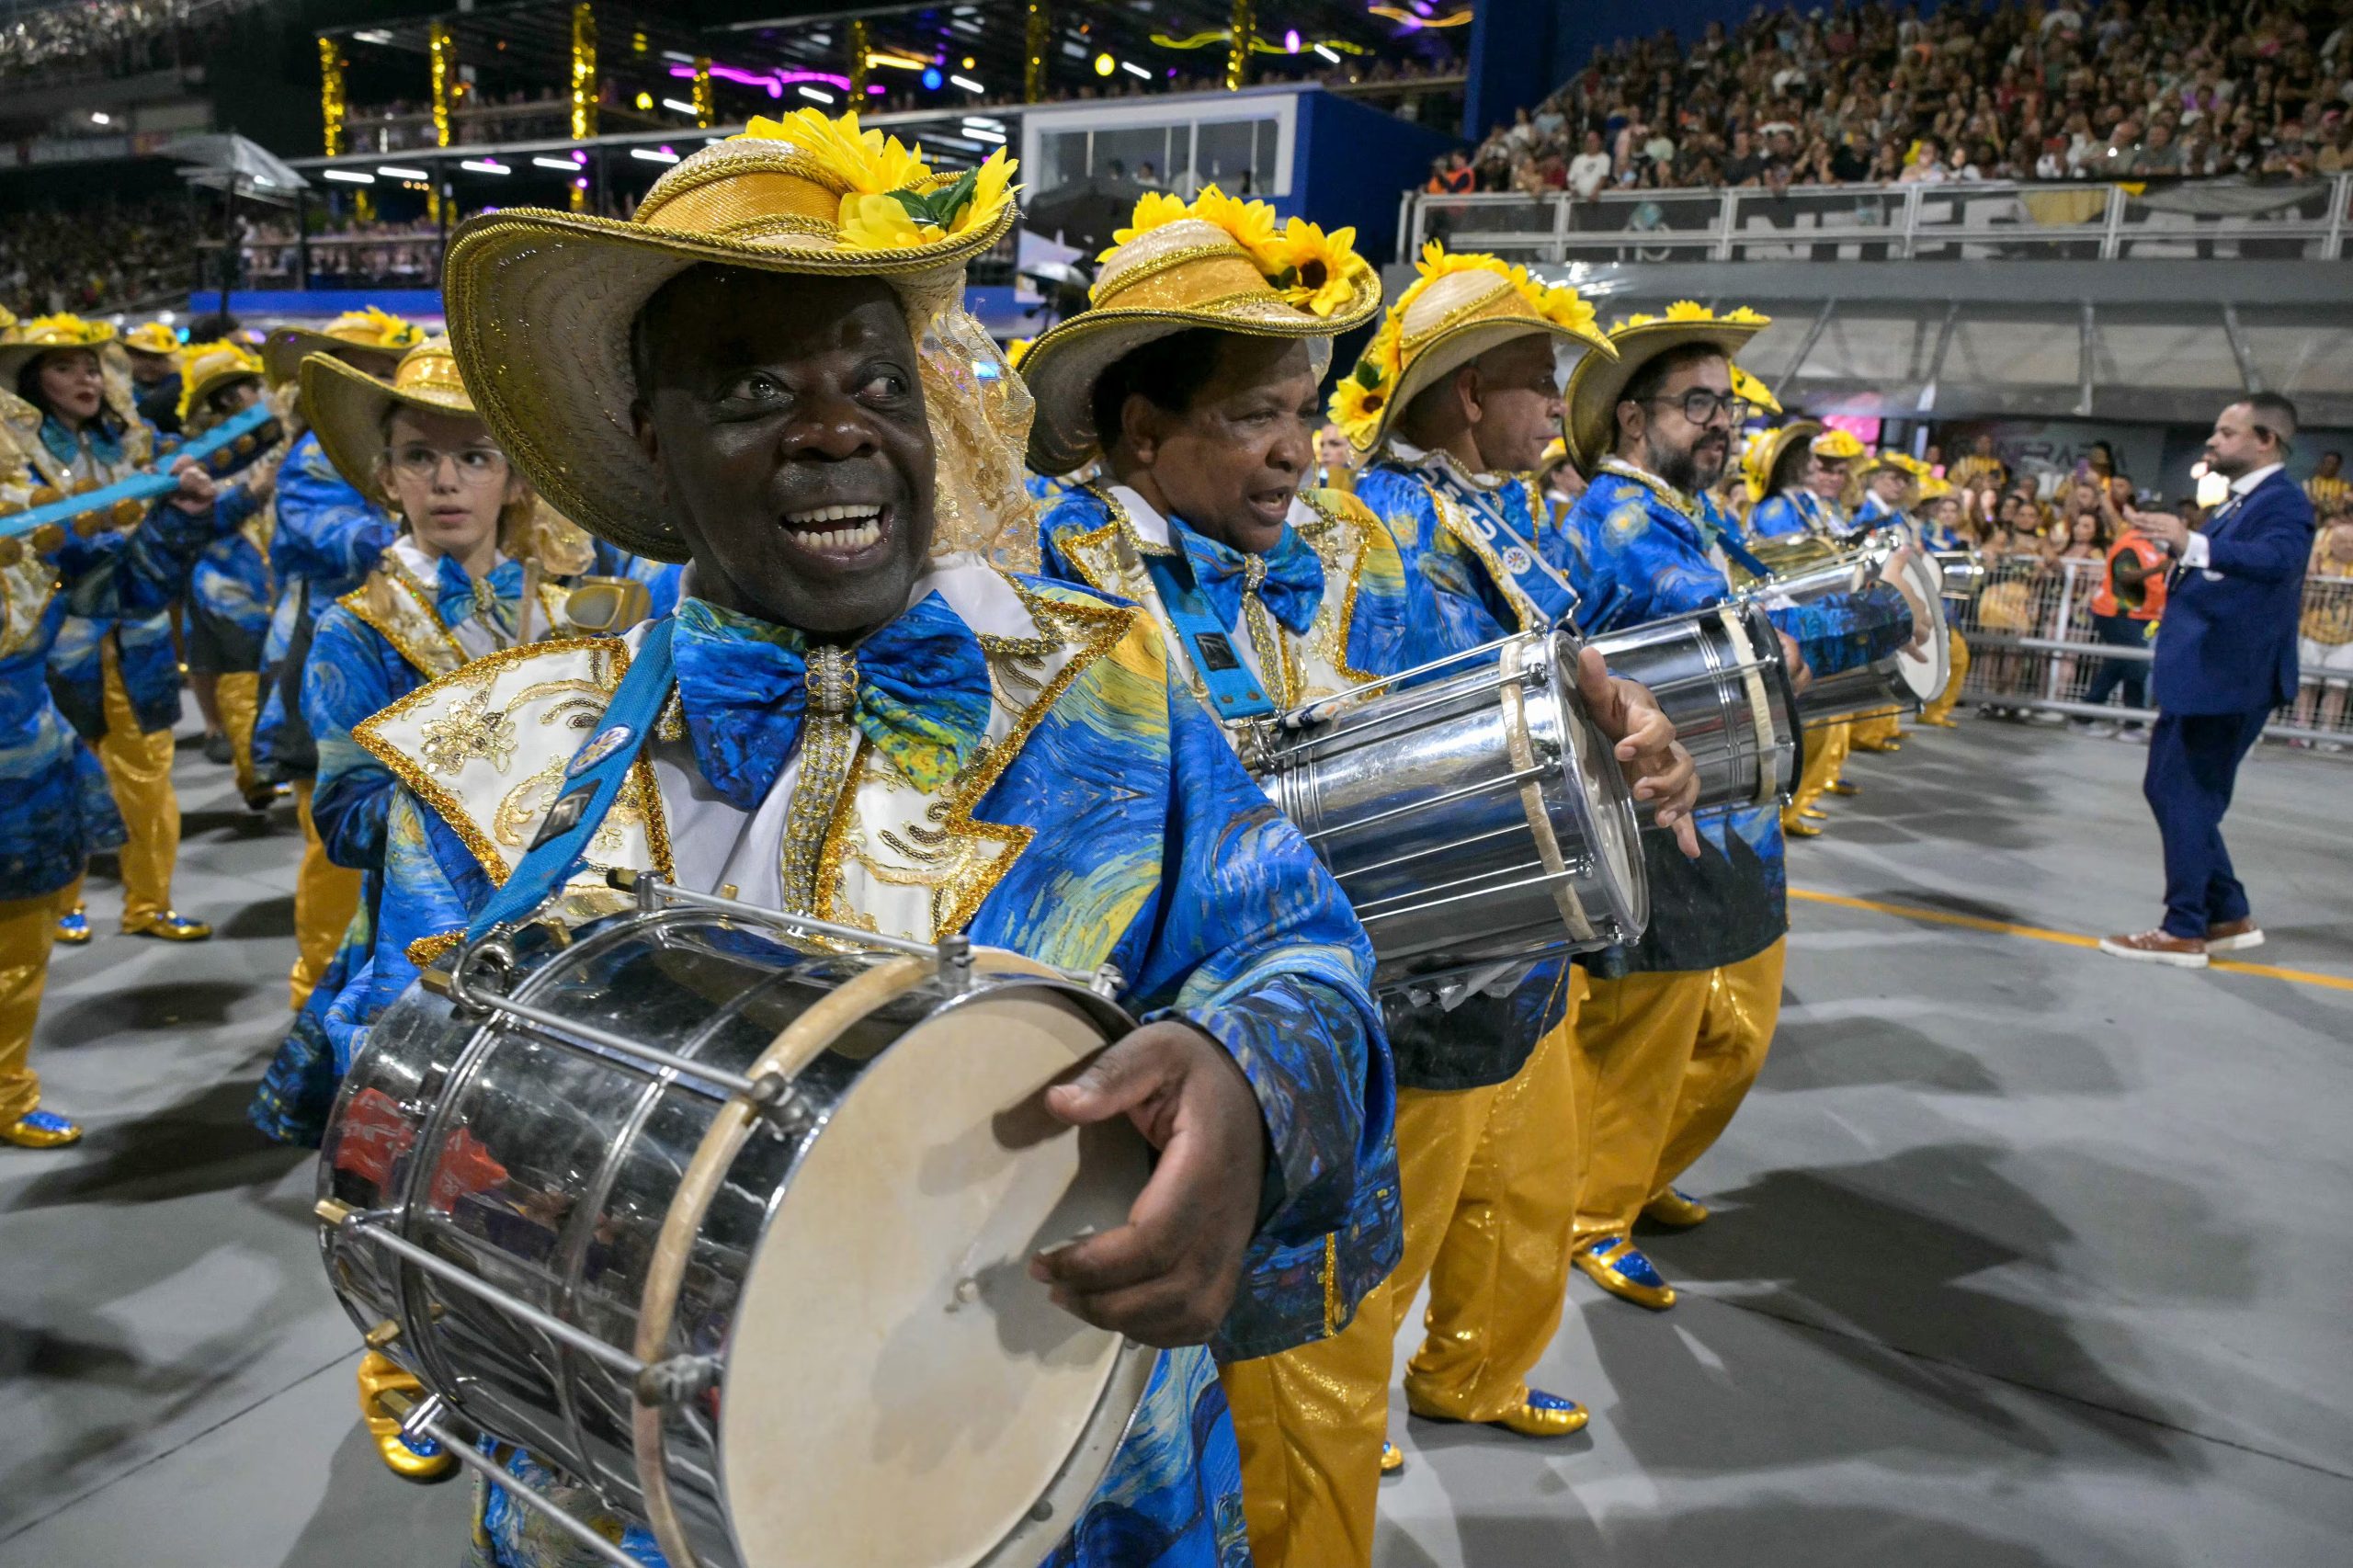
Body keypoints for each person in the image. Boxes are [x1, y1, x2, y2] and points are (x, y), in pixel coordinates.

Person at [364, 109, 1401, 1568]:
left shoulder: (1101, 689)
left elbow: (1302, 951)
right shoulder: (495, 761)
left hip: (1069, 1476)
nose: (838, 427)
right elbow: (394, 1116)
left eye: (872, 379)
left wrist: (1245, 1078)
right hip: (645, 1514)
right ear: (655, 448)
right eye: (754, 387)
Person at [1556, 302, 1917, 1311]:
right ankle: (1592, 1209)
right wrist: (1886, 605)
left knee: (1729, 1036)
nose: (1723, 425)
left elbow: (1767, 592)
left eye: (1729, 406)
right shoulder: (1620, 524)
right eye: (1698, 403)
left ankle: (1635, 1170)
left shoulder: (1690, 514)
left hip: (1731, 818)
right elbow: (1758, 632)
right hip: (1667, 820)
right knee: (1644, 1040)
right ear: (1631, 420)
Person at [0, 361, 256, 1146]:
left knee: (23, 934)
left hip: (30, 751)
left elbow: (124, 575)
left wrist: (184, 510)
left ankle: (6, 1092)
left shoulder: (40, 520)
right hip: (40, 726)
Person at [0, 316, 213, 943]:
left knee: (149, 774)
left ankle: (149, 903)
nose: (84, 378)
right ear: (36, 382)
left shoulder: (133, 441)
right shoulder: (19, 462)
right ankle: (64, 902)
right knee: (64, 775)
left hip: (139, 636)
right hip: (61, 647)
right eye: (64, 368)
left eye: (91, 365)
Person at [2101, 393, 2315, 967]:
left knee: (2186, 795)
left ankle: (2183, 929)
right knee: (2174, 791)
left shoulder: (2283, 502)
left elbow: (2276, 560)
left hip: (2231, 677)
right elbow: (2229, 569)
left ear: (2265, 440)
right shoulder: (2237, 502)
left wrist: (2190, 542)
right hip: (2207, 673)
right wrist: (2174, 561)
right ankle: (2228, 913)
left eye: (2226, 433)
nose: (2212, 442)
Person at [253, 306, 423, 1010]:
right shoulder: (312, 456)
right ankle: (314, 1000)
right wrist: (420, 533)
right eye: (367, 372)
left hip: (407, 659)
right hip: (329, 656)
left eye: (390, 373)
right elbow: (330, 534)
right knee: (335, 860)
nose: (380, 384)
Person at [174, 339, 282, 811]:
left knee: (268, 677)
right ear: (226, 398)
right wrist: (252, 492)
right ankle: (252, 772)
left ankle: (265, 762)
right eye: (247, 387)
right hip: (225, 582)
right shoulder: (197, 457)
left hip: (270, 575)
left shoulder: (275, 440)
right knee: (241, 678)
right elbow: (199, 519)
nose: (258, 392)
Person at [2076, 505, 2170, 733]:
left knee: (2120, 664)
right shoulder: (2130, 543)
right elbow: (2125, 576)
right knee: (2135, 664)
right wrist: (2157, 569)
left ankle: (2088, 717)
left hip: (2141, 617)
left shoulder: (2153, 547)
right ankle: (2131, 723)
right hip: (2117, 614)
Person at [119, 319, 183, 435]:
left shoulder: (180, 391)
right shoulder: (115, 392)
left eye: (156, 358)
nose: (149, 363)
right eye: (141, 355)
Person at [2304, 449, 2349, 516]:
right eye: (2325, 462)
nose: (2328, 466)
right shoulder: (2309, 483)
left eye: (2332, 463)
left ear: (2338, 467)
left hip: (2335, 521)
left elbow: (2343, 507)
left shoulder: (2345, 486)